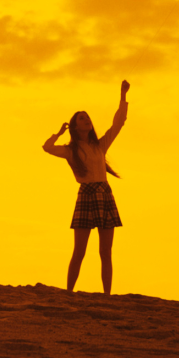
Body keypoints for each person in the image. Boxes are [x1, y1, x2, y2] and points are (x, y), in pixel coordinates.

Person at [43, 80, 130, 295]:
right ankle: (69, 292)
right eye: (82, 119)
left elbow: (118, 124)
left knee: (105, 251)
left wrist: (122, 96)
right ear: (75, 126)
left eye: (88, 118)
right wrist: (59, 132)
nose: (87, 121)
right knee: (79, 251)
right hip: (85, 195)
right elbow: (46, 147)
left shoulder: (100, 145)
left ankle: (107, 294)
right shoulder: (70, 150)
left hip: (104, 194)